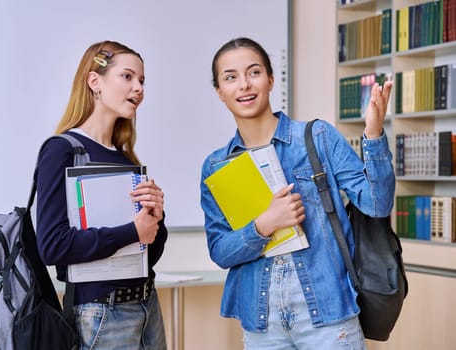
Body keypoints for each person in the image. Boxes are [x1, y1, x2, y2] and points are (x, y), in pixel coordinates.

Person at [200, 37, 394, 349]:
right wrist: (264, 225)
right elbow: (221, 251)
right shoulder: (216, 166)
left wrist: (373, 134)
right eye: (230, 77)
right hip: (263, 323)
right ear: (219, 92)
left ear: (270, 80)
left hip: (327, 316)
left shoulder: (317, 137)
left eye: (254, 72)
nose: (244, 85)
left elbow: (377, 203)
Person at [36, 40, 168, 350]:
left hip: (147, 307)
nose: (138, 88)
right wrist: (131, 231)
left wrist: (156, 221)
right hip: (99, 314)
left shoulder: (128, 161)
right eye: (127, 77)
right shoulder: (61, 150)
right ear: (95, 81)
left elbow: (147, 256)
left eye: (142, 81)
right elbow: (52, 247)